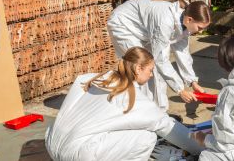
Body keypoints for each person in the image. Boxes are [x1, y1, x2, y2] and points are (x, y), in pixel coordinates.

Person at [45, 47, 203, 161]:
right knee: (147, 137)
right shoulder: (133, 98)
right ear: (139, 68)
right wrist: (204, 149)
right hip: (76, 155)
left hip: (53, 144)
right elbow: (167, 126)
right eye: (150, 70)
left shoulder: (93, 79)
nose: (151, 75)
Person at [107, 0, 211, 111]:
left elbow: (182, 52)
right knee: (143, 69)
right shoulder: (165, 21)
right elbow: (161, 60)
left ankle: (160, 112)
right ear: (189, 20)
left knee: (154, 69)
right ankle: (143, 112)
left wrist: (192, 81)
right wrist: (180, 89)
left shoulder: (185, 19)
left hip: (144, 31)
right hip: (123, 25)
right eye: (200, 27)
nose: (201, 31)